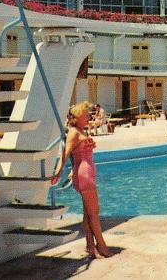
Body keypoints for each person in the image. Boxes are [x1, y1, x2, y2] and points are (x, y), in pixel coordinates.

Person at [51, 102, 112, 258]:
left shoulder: (79, 131)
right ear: (77, 118)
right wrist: (58, 172)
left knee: (88, 212)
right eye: (85, 115)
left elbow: (78, 152)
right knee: (94, 213)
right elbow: (65, 154)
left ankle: (90, 246)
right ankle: (102, 246)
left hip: (86, 173)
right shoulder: (74, 132)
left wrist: (88, 145)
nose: (88, 117)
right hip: (84, 175)